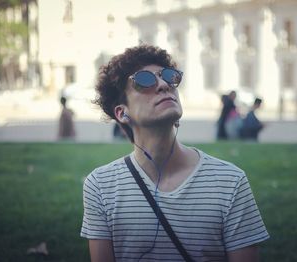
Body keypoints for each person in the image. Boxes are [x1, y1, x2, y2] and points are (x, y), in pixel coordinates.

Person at [80, 45, 269, 261]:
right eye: (144, 80)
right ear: (122, 113)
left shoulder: (231, 182)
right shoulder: (100, 186)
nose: (163, 85)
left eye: (169, 77)